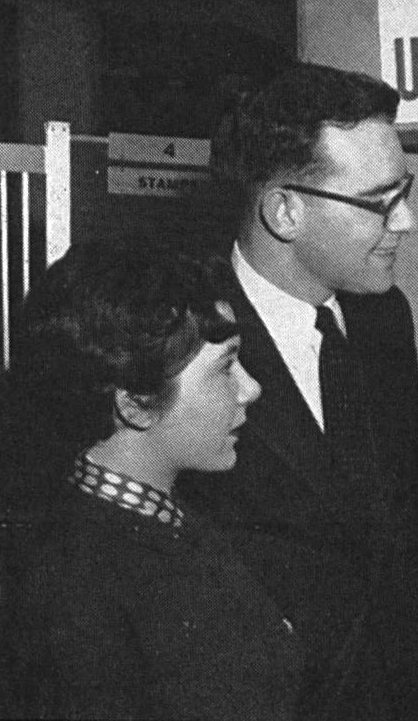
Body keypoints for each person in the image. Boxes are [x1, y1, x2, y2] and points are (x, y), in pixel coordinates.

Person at [175, 62, 418, 720]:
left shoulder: (384, 316)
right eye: (379, 201)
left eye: (403, 191)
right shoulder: (181, 336)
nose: (405, 221)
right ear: (285, 210)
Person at [3, 240, 301, 719]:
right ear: (135, 403)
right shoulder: (74, 582)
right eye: (225, 367)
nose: (252, 388)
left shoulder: (171, 518)